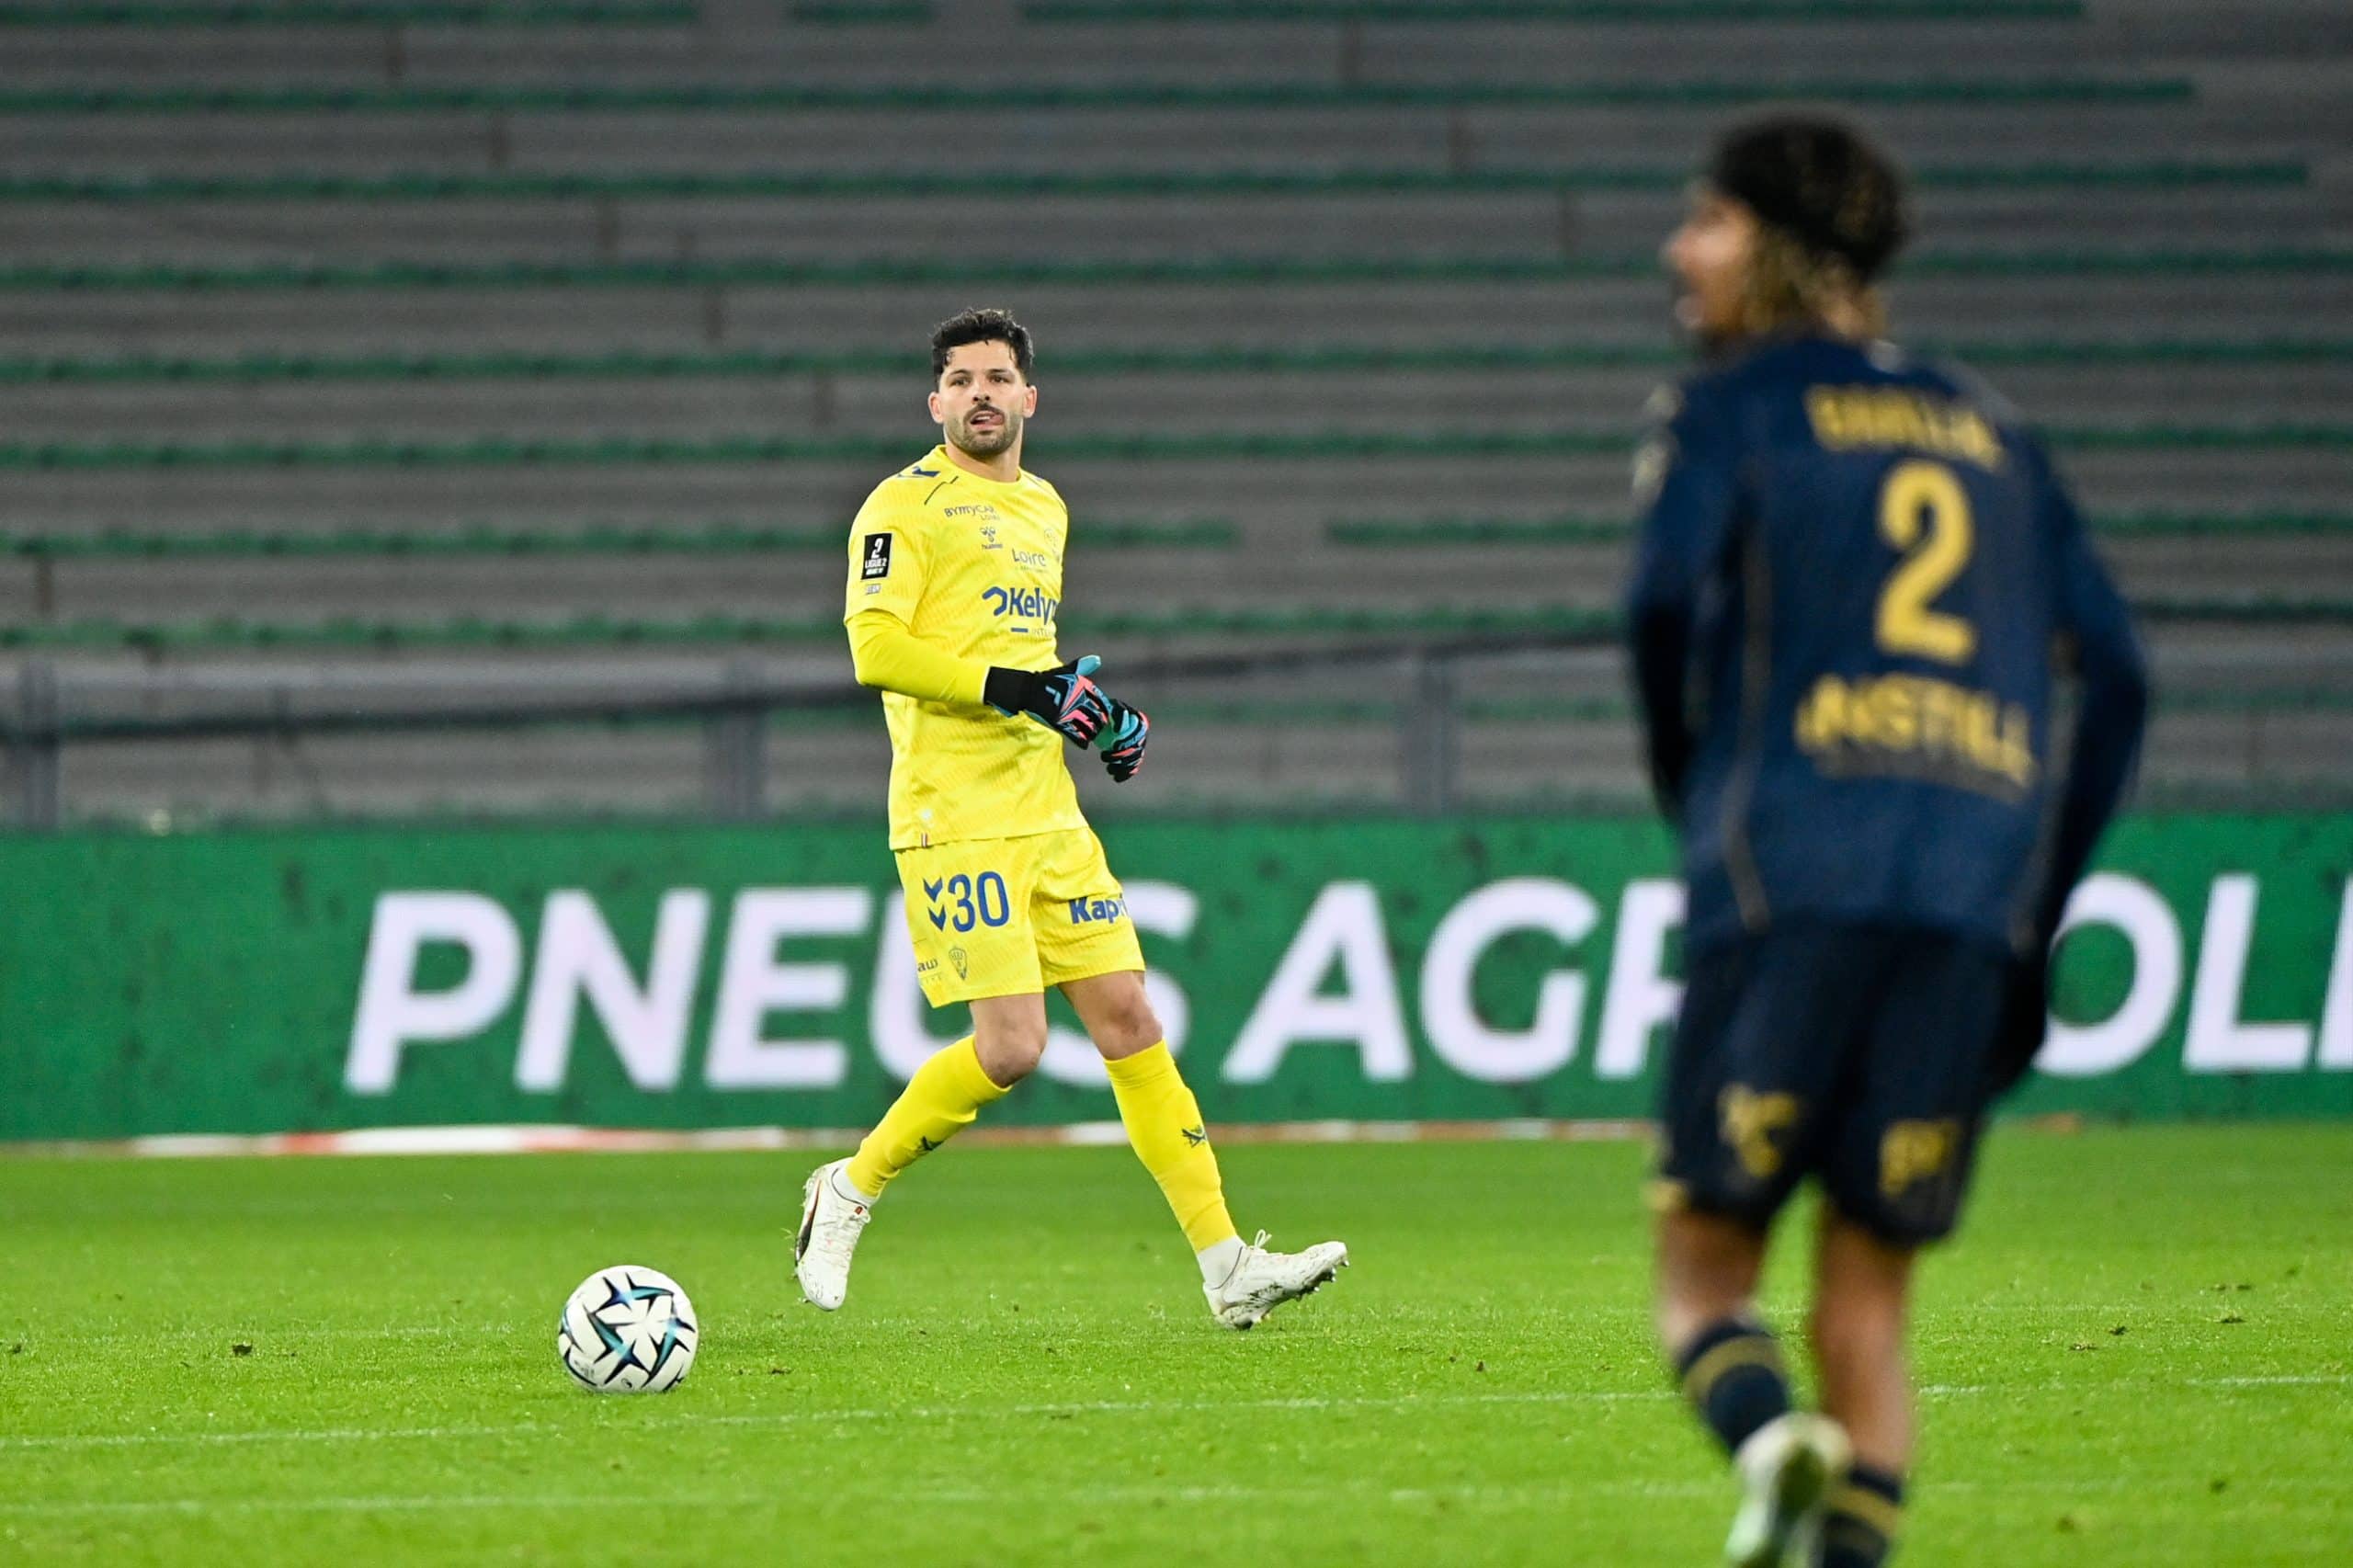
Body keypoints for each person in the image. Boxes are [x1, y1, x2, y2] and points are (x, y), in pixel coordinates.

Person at [1624, 116, 2150, 1566]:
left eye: (1709, 221)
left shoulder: (1730, 408)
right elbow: (2121, 675)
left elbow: (1660, 608)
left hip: (1789, 873)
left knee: (1701, 1278)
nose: (1683, 252)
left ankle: (1765, 1438)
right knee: (1870, 1312)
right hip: (1969, 901)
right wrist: (2034, 896)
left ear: (1779, 250)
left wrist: (1700, 794)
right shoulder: (1995, 432)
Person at [795, 307, 1347, 1329]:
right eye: (961, 381)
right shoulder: (901, 505)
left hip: (1046, 811)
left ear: (1029, 396)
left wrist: (1099, 716)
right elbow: (878, 650)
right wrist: (1018, 686)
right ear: (935, 402)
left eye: (998, 378)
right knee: (1009, 1048)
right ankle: (850, 1186)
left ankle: (1226, 1262)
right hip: (951, 810)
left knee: (1131, 1017)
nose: (981, 395)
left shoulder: (1045, 506)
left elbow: (1027, 661)